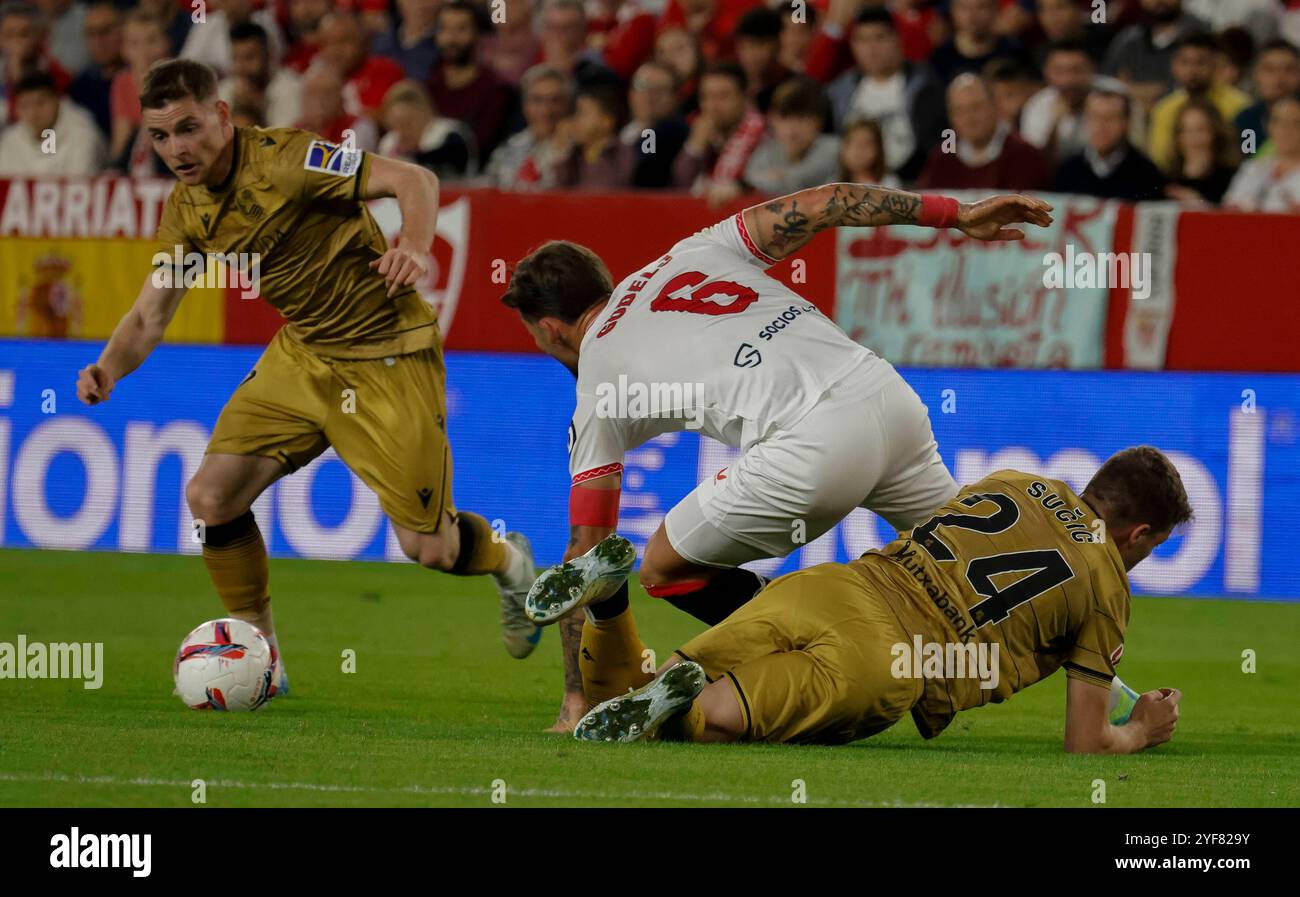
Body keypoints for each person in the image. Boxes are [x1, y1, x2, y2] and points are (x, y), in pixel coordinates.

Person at [501, 182, 1052, 731]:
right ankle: (1114, 693)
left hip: (815, 448)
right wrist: (956, 213)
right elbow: (828, 200)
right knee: (979, 566)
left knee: (664, 567)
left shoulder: (597, 378)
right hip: (889, 399)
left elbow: (586, 552)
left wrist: (575, 699)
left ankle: (805, 641)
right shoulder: (695, 251)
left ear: (549, 330)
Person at [75, 60, 543, 698]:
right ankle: (262, 658)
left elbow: (414, 177)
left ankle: (511, 563)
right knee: (212, 498)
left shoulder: (289, 160)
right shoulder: (186, 209)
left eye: (188, 128)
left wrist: (415, 243)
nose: (176, 150)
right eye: (159, 136)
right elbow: (150, 315)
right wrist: (108, 367)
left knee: (428, 548)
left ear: (221, 114)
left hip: (386, 353)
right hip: (303, 354)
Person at [576, 447, 1190, 754]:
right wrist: (1138, 730)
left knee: (642, 697)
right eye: (1153, 547)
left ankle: (610, 609)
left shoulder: (1014, 480)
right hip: (890, 659)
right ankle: (681, 703)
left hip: (829, 586)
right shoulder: (1107, 582)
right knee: (705, 722)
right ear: (1137, 534)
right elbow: (1084, 741)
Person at [826, 7, 945, 181]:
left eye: (879, 38)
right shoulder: (838, 92)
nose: (871, 48)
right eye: (862, 40)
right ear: (853, 45)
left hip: (911, 185)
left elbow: (934, 147)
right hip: (853, 188)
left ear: (897, 39)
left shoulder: (927, 87)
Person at [915, 73, 1052, 192]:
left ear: (994, 106)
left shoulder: (1024, 154)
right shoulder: (941, 157)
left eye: (976, 107)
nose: (969, 118)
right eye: (959, 111)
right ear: (950, 117)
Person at [1147, 31, 1251, 172]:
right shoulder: (1163, 109)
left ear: (1215, 65)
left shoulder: (1242, 105)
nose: (1192, 71)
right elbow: (1160, 160)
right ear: (1174, 66)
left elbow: (1250, 152)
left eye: (1201, 62)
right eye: (1185, 62)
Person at [427, 0, 516, 164]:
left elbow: (480, 146)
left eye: (461, 29)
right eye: (444, 29)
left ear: (477, 34)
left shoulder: (495, 90)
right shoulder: (428, 85)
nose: (451, 38)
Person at [1054, 84, 1168, 201]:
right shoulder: (1068, 170)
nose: (1101, 126)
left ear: (1126, 123)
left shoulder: (1147, 174)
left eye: (1111, 117)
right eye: (1095, 117)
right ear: (1086, 120)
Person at [744, 76, 840, 194]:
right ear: (772, 120)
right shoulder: (767, 151)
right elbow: (748, 183)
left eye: (801, 118)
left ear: (818, 121)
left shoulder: (833, 148)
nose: (792, 128)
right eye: (785, 118)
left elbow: (800, 182)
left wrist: (778, 177)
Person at [0, 70, 103, 175]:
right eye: (25, 106)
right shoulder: (9, 142)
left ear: (57, 100)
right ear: (17, 109)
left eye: (40, 103)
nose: (33, 113)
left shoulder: (82, 135)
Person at [378, 79, 475, 180]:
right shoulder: (389, 144)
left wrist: (412, 158)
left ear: (427, 115)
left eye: (408, 123)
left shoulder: (449, 135)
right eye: (395, 125)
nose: (402, 131)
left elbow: (447, 159)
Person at [1019, 37, 1094, 163]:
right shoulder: (1037, 106)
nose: (1068, 80)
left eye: (1076, 70)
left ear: (1091, 69)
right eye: (1059, 71)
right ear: (1047, 72)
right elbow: (1034, 164)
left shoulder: (1114, 98)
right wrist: (1054, 126)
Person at [1223, 93, 1300, 212]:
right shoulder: (1252, 169)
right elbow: (1229, 208)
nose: (1286, 130)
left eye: (1296, 123)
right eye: (1278, 121)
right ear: (1269, 127)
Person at [219, 21, 302, 129]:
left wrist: (253, 110)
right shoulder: (227, 89)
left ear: (268, 55)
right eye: (236, 58)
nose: (241, 67)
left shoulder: (290, 88)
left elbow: (281, 142)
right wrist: (238, 107)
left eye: (249, 57)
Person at [1165, 97, 1238, 206]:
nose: (1193, 138)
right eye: (1186, 130)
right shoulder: (1168, 178)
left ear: (1215, 133)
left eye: (1200, 130)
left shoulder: (1234, 178)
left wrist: (1200, 204)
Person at [1235, 39, 1300, 147]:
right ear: (1255, 75)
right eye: (1270, 70)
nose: (1279, 79)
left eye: (1289, 69)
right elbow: (1246, 157)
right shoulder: (1246, 121)